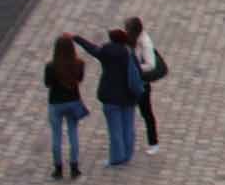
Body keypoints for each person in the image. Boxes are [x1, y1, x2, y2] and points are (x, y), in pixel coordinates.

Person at [70, 27, 141, 166]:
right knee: (128, 127)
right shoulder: (130, 52)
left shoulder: (106, 52)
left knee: (115, 130)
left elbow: (92, 49)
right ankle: (127, 154)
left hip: (111, 97)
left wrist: (76, 38)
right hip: (128, 96)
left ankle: (116, 158)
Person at [45, 34, 89, 179]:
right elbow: (80, 79)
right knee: (73, 134)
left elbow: (47, 84)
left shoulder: (51, 66)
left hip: (55, 103)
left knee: (56, 136)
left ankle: (58, 169)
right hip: (73, 101)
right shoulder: (79, 64)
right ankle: (74, 167)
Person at [125, 16, 164, 154]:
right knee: (126, 109)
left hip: (141, 82)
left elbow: (151, 65)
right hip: (130, 79)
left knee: (146, 112)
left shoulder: (145, 43)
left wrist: (136, 67)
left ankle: (153, 142)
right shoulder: (129, 38)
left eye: (128, 29)